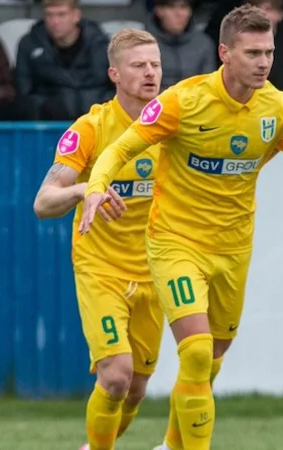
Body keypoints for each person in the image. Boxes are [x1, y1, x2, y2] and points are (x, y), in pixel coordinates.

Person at [78, 5, 283, 450]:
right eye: (252, 53)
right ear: (225, 52)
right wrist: (95, 188)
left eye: (268, 52)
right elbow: (118, 151)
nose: (264, 62)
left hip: (232, 249)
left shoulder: (278, 108)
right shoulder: (182, 102)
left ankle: (171, 445)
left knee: (210, 360)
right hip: (175, 243)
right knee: (197, 349)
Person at [32, 29, 164, 450]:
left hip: (156, 269)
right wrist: (83, 190)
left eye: (155, 65)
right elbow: (43, 201)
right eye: (138, 65)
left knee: (137, 389)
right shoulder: (90, 128)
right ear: (114, 74)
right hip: (101, 268)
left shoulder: (173, 124)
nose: (150, 73)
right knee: (115, 376)